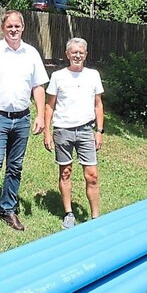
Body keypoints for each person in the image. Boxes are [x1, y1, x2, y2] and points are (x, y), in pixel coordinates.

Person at [0, 10, 49, 237]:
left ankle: (8, 210)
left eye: (17, 26)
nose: (13, 29)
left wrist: (40, 115)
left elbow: (38, 87)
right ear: (2, 28)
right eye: (9, 26)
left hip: (22, 119)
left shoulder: (31, 53)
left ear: (23, 27)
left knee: (15, 167)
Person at [44, 38, 104, 229]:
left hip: (86, 130)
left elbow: (98, 104)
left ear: (86, 55)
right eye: (74, 52)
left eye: (81, 52)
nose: (77, 55)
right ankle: (69, 213)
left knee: (92, 175)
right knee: (66, 172)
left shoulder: (93, 75)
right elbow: (49, 106)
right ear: (67, 54)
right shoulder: (58, 76)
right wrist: (47, 132)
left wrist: (99, 131)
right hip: (63, 130)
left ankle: (95, 217)